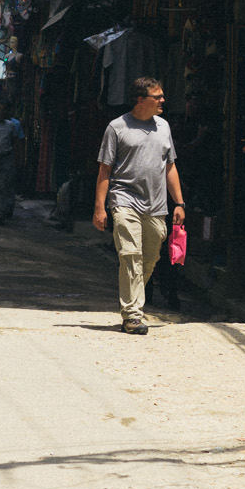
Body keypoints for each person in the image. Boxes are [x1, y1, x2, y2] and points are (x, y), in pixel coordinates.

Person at [92, 76, 185, 335]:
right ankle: (132, 315)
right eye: (158, 97)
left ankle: (133, 300)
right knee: (130, 255)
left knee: (151, 256)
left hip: (156, 205)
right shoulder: (117, 127)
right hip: (124, 201)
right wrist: (100, 207)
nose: (163, 101)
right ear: (140, 100)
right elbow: (105, 170)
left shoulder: (164, 127)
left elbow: (170, 167)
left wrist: (179, 202)